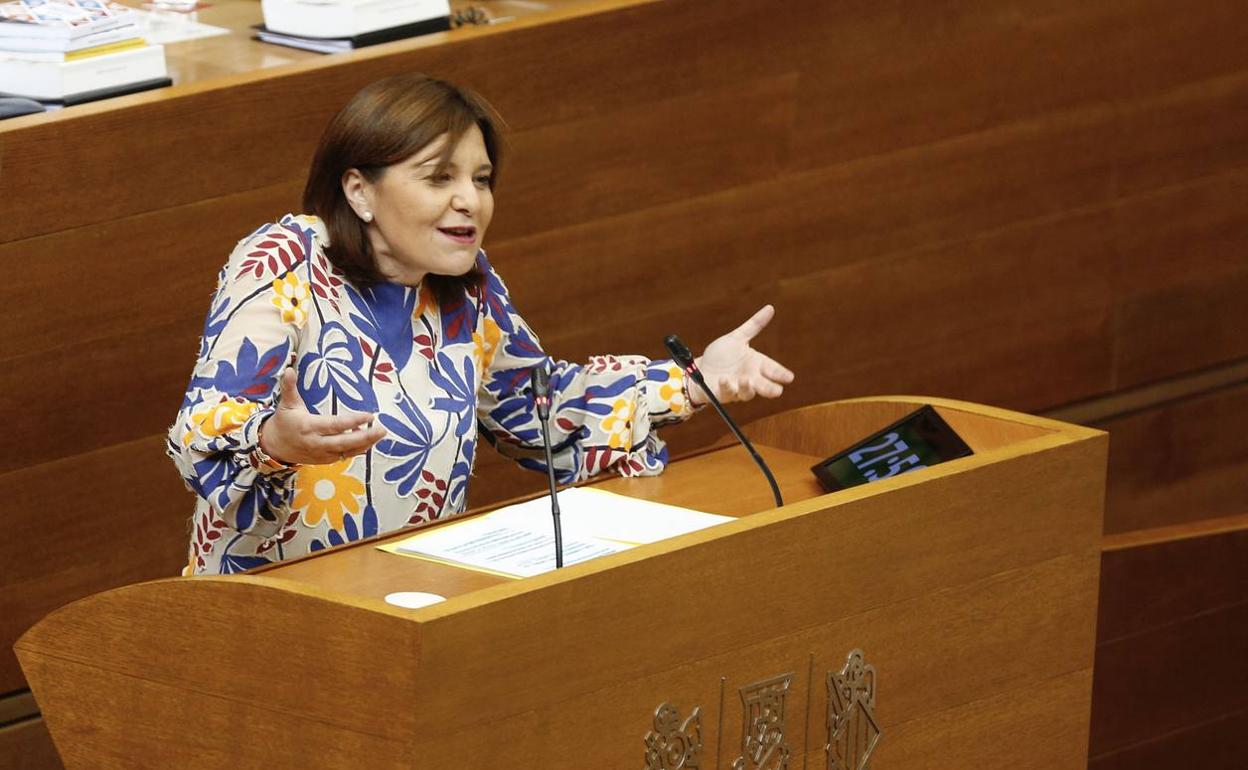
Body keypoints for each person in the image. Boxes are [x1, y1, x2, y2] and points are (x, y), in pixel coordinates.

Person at [167, 73, 795, 575]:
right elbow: (198, 438)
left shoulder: (465, 288)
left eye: (482, 179)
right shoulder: (284, 263)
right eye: (439, 177)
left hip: (409, 602)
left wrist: (692, 382)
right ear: (359, 190)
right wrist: (275, 441)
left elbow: (538, 409)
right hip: (264, 609)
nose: (471, 200)